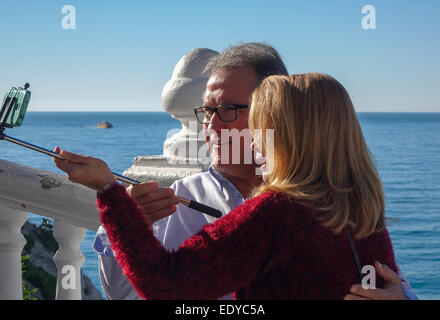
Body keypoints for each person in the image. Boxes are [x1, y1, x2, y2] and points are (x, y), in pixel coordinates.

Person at [59, 43, 416, 300]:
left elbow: (162, 284)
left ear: (277, 112)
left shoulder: (277, 212)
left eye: (229, 109)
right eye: (206, 111)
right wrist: (124, 224)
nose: (210, 125)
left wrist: (110, 195)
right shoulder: (353, 203)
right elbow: (122, 296)